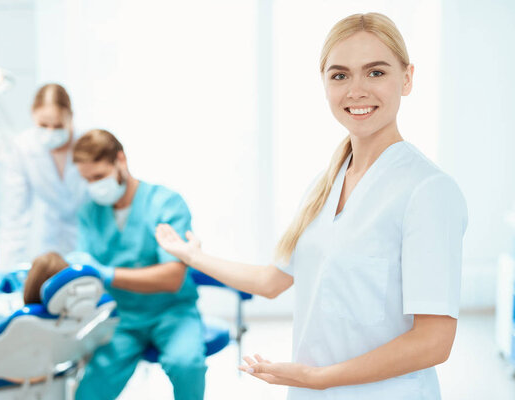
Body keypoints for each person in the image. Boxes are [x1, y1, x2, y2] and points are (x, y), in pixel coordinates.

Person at [155, 12, 467, 400]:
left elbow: (434, 342)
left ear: (407, 79)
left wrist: (319, 377)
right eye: (340, 75)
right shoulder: (324, 185)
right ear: (324, 84)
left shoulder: (428, 190)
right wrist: (190, 255)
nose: (356, 90)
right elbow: (271, 282)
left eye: (375, 72)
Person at [71, 129, 206, 400]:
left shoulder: (164, 203)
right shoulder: (88, 213)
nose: (94, 186)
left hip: (172, 312)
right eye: (87, 180)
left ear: (120, 160)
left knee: (186, 365)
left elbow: (172, 277)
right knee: (88, 392)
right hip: (122, 318)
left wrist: (108, 274)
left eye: (98, 177)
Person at [0, 84, 87, 272]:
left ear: (71, 117)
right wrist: (1, 270)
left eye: (58, 126)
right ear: (32, 115)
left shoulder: (87, 144)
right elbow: (14, 216)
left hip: (89, 241)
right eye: (43, 125)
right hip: (48, 243)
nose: (51, 132)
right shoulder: (24, 148)